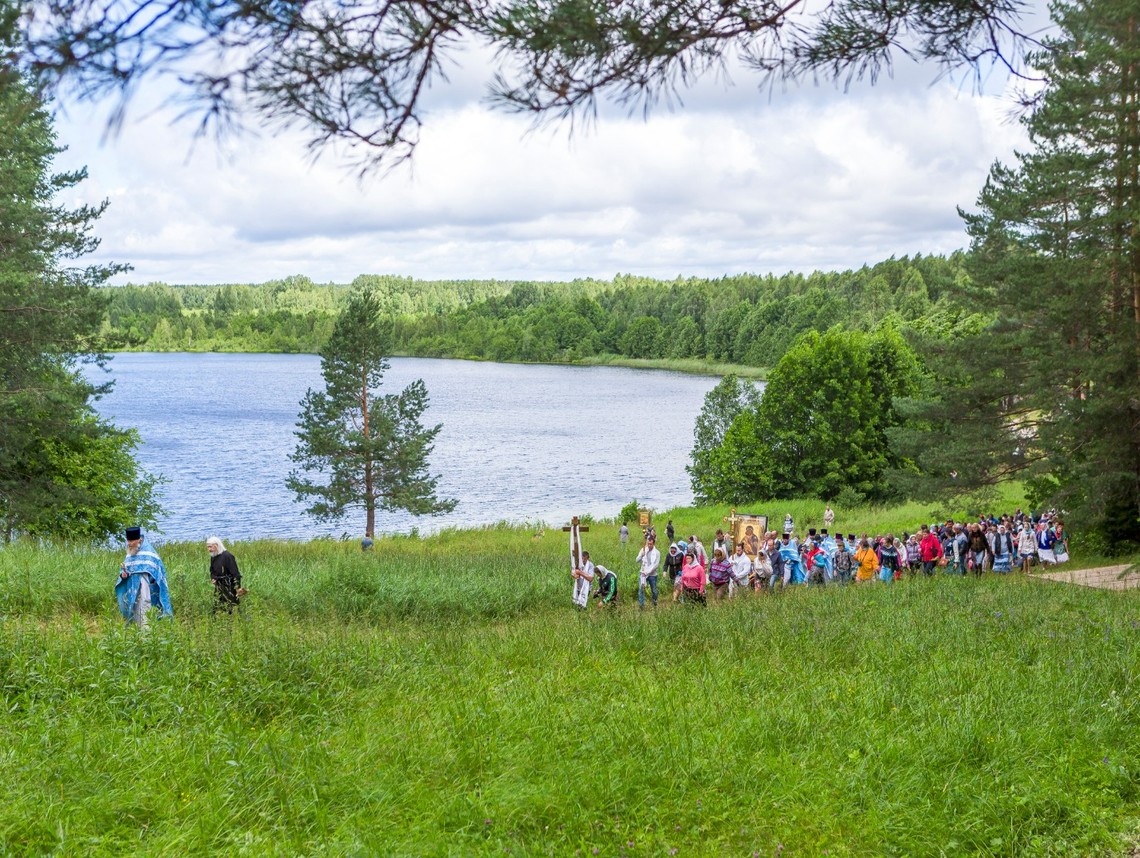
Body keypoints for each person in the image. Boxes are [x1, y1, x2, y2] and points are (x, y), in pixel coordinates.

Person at [116, 526, 173, 627]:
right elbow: (127, 569)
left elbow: (157, 571)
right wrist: (124, 574)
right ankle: (138, 634)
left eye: (131, 541)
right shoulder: (130, 552)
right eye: (128, 541)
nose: (129, 543)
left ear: (138, 540)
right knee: (134, 609)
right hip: (132, 588)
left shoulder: (149, 552)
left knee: (145, 607)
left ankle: (146, 634)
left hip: (146, 587)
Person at [206, 535, 243, 614]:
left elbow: (235, 574)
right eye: (208, 547)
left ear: (216, 545)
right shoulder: (213, 556)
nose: (209, 549)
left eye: (210, 547)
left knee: (232, 606)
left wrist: (238, 588)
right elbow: (212, 570)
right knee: (218, 607)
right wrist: (213, 578)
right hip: (219, 586)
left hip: (229, 586)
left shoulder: (228, 556)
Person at [635, 534, 661, 608]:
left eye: (651, 544)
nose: (649, 545)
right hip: (643, 573)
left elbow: (656, 565)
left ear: (654, 543)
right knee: (641, 589)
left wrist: (648, 572)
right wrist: (641, 555)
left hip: (652, 574)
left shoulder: (657, 553)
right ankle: (641, 606)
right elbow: (637, 560)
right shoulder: (643, 550)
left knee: (654, 590)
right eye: (648, 544)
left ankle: (654, 602)